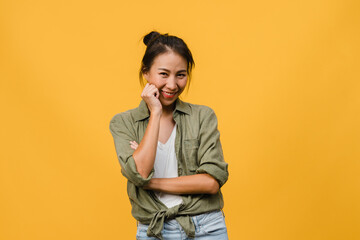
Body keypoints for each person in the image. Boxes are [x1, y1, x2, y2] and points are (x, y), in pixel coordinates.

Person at [109, 31, 229, 240]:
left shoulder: (202, 117)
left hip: (206, 226)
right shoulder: (123, 122)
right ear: (146, 72)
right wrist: (154, 112)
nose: (172, 85)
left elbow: (211, 183)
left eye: (180, 75)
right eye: (163, 74)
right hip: (154, 230)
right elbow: (140, 172)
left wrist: (149, 183)